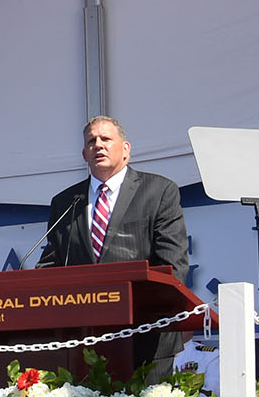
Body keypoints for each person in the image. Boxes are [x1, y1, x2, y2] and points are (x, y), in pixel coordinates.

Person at [37, 116, 190, 372]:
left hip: (145, 338)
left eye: (106, 139)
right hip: (80, 341)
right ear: (84, 154)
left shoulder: (159, 191)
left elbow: (173, 265)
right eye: (91, 141)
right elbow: (51, 265)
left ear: (126, 149)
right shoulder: (65, 202)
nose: (98, 145)